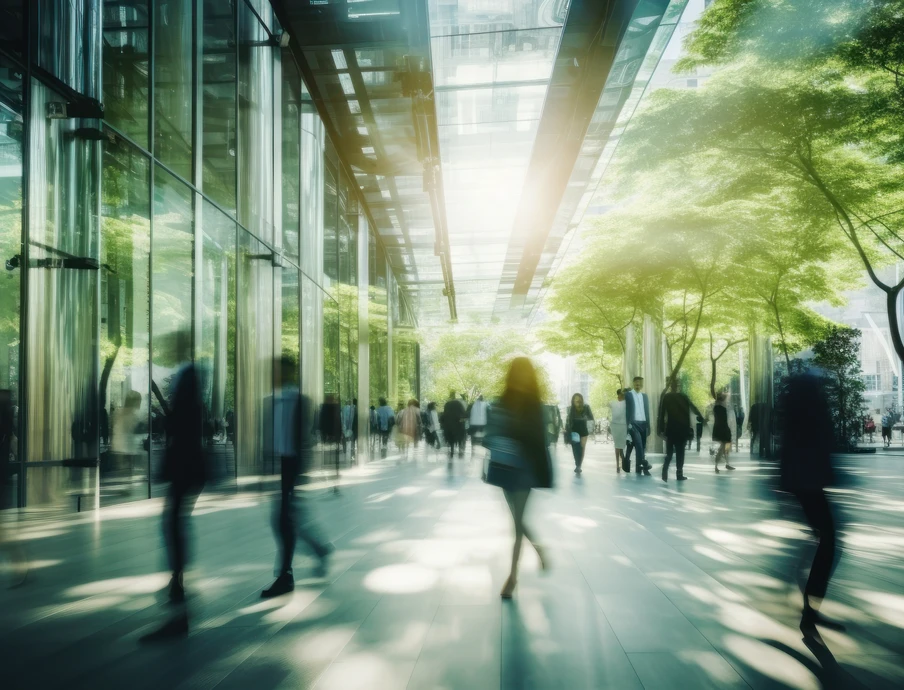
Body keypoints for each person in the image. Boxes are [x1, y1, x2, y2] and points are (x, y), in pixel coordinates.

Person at [141, 333, 208, 642]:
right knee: (173, 524)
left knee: (172, 525)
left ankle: (178, 599)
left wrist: (166, 412)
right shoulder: (189, 375)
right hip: (186, 463)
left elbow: (185, 422)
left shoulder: (190, 374)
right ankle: (176, 587)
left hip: (186, 463)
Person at [261, 356, 333, 598]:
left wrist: (301, 471)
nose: (275, 374)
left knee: (283, 520)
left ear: (290, 372)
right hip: (279, 465)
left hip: (292, 466)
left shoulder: (302, 401)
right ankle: (318, 550)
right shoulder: (270, 401)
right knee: (286, 519)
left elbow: (306, 437)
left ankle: (285, 575)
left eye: (280, 370)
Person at [779, 372, 845, 638]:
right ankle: (810, 607)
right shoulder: (811, 409)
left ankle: (808, 603)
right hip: (809, 482)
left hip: (801, 482)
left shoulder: (794, 409)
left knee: (823, 538)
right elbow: (823, 442)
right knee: (828, 540)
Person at [482, 358, 552, 599]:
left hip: (524, 469)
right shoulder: (503, 401)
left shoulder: (535, 405)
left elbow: (541, 441)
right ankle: (539, 549)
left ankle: (512, 578)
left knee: (517, 523)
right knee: (517, 520)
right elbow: (490, 433)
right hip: (505, 467)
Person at [0, 389, 27, 587]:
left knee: (3, 531)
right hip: (2, 481)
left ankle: (21, 565)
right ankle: (21, 565)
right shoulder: (8, 433)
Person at [657, 378, 702, 481]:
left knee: (670, 452)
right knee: (680, 452)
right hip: (681, 429)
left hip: (672, 429)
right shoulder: (682, 396)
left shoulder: (666, 397)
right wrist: (701, 417)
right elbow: (693, 407)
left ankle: (665, 471)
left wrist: (660, 429)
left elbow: (661, 414)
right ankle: (679, 474)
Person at [623, 376, 652, 475]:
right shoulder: (629, 395)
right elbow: (625, 409)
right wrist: (628, 425)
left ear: (642, 384)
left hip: (643, 423)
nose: (638, 384)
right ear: (633, 383)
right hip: (634, 424)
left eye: (639, 383)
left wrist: (649, 425)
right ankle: (645, 465)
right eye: (636, 383)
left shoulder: (645, 396)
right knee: (639, 445)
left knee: (643, 447)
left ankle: (639, 469)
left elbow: (647, 411)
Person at [565, 393, 594, 475]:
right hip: (574, 430)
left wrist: (591, 429)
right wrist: (566, 430)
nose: (577, 401)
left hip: (584, 430)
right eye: (575, 399)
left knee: (582, 448)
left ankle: (579, 466)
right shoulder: (570, 409)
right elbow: (568, 420)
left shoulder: (586, 407)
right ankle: (577, 464)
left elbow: (591, 418)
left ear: (581, 400)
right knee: (575, 448)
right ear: (573, 401)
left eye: (579, 399)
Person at [441, 391, 467, 463]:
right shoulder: (459, 405)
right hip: (458, 427)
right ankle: (460, 452)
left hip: (448, 427)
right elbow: (464, 416)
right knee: (459, 440)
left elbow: (443, 417)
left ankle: (452, 451)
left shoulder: (447, 405)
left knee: (451, 440)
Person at [712, 392, 735, 472]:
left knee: (725, 447)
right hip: (723, 429)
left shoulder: (718, 407)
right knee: (723, 447)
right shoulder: (720, 407)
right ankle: (717, 465)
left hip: (722, 428)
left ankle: (726, 464)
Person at [609, 389, 628, 473]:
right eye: (621, 395)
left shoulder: (625, 403)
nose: (622, 396)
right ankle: (618, 464)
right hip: (617, 426)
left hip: (622, 425)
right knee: (617, 445)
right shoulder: (614, 403)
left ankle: (622, 461)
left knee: (620, 445)